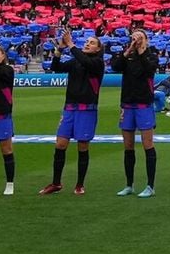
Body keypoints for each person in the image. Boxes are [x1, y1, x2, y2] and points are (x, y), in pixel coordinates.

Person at [39, 28, 105, 196]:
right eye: (87, 42)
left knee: (82, 146)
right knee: (60, 144)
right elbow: (56, 67)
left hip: (87, 110)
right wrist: (60, 49)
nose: (88, 44)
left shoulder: (97, 63)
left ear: (98, 49)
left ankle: (79, 184)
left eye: (92, 43)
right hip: (70, 108)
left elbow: (85, 62)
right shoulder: (77, 61)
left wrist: (71, 45)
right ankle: (56, 183)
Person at [111, 28, 160, 198]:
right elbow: (115, 66)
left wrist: (141, 50)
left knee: (148, 144)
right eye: (134, 37)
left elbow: (149, 70)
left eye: (140, 37)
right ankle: (129, 184)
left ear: (146, 39)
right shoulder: (128, 55)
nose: (136, 39)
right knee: (128, 146)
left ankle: (150, 185)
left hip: (144, 105)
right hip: (127, 104)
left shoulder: (151, 54)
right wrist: (129, 50)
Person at [0, 44, 15, 195]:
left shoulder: (8, 70)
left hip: (2, 115)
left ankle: (10, 183)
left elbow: (1, 73)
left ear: (3, 56)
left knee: (7, 150)